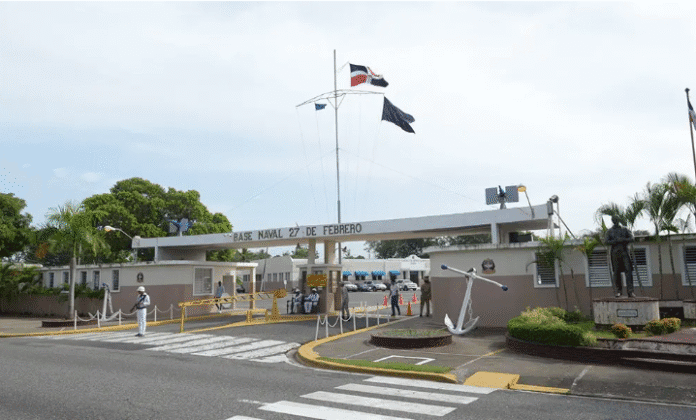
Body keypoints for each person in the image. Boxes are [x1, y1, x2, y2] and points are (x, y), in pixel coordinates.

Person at [605, 215, 636, 298]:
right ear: (612, 221)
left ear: (619, 220)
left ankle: (630, 291)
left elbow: (632, 238)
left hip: (624, 252)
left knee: (628, 271)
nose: (615, 221)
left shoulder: (625, 229)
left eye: (616, 219)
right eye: (613, 220)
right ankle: (618, 291)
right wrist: (615, 241)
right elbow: (606, 241)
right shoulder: (609, 231)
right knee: (616, 272)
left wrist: (622, 240)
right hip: (615, 253)